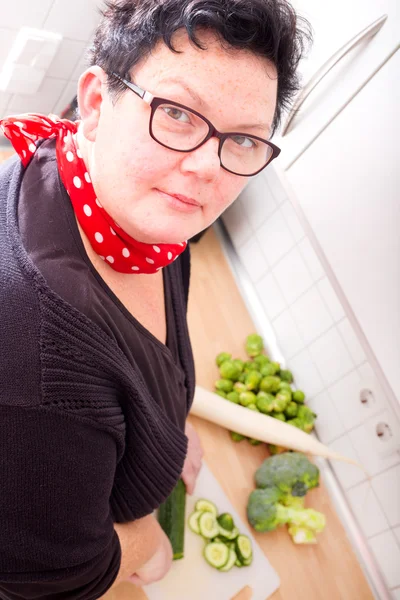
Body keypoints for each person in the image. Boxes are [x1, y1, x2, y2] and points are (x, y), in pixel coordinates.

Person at [0, 0, 311, 597]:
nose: (205, 168)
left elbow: (140, 365)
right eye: (175, 113)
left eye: (244, 141)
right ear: (95, 103)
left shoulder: (133, 211)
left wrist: (163, 426)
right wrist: (148, 542)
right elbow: (57, 578)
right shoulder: (34, 366)